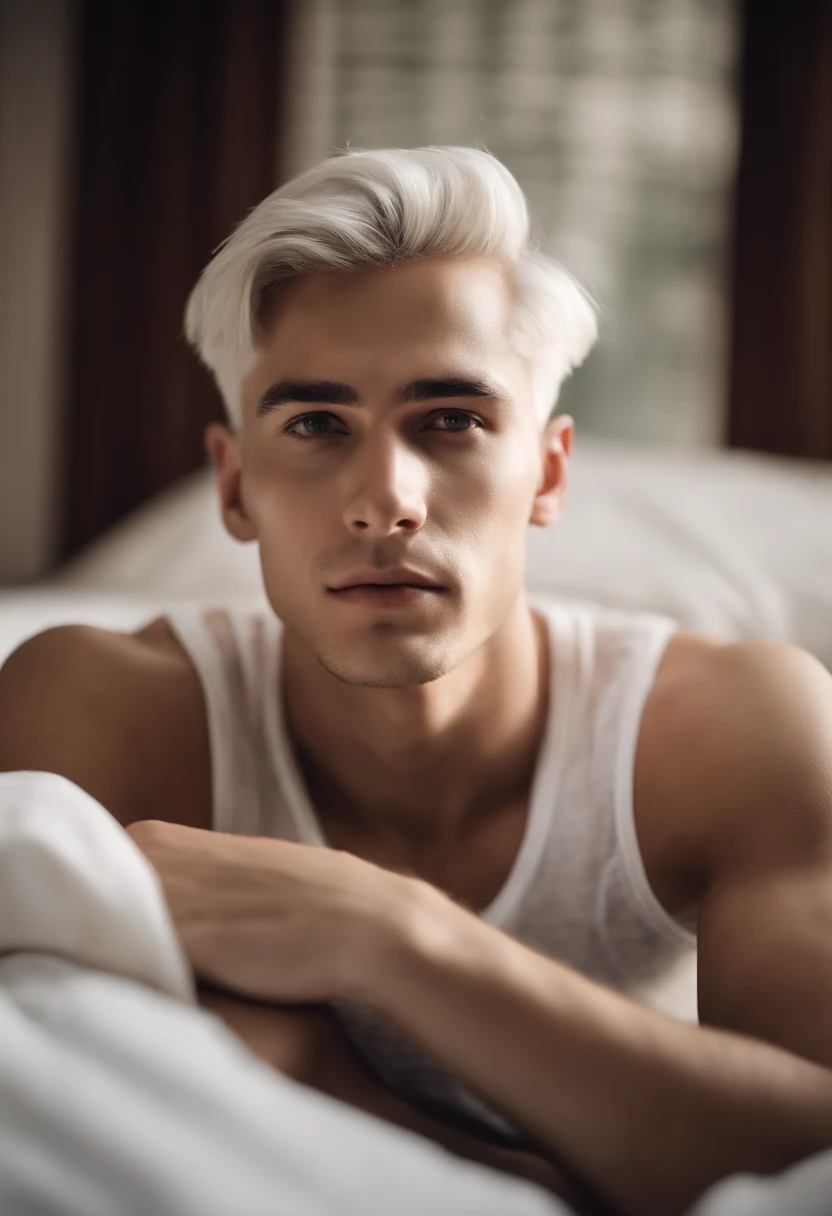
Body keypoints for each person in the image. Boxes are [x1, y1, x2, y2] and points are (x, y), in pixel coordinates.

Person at [2, 146, 832, 1216]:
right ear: (235, 484)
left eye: (452, 420)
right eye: (314, 425)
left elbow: (812, 1149)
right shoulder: (95, 709)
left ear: (546, 471)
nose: (385, 499)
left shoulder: (738, 724)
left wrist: (387, 934)